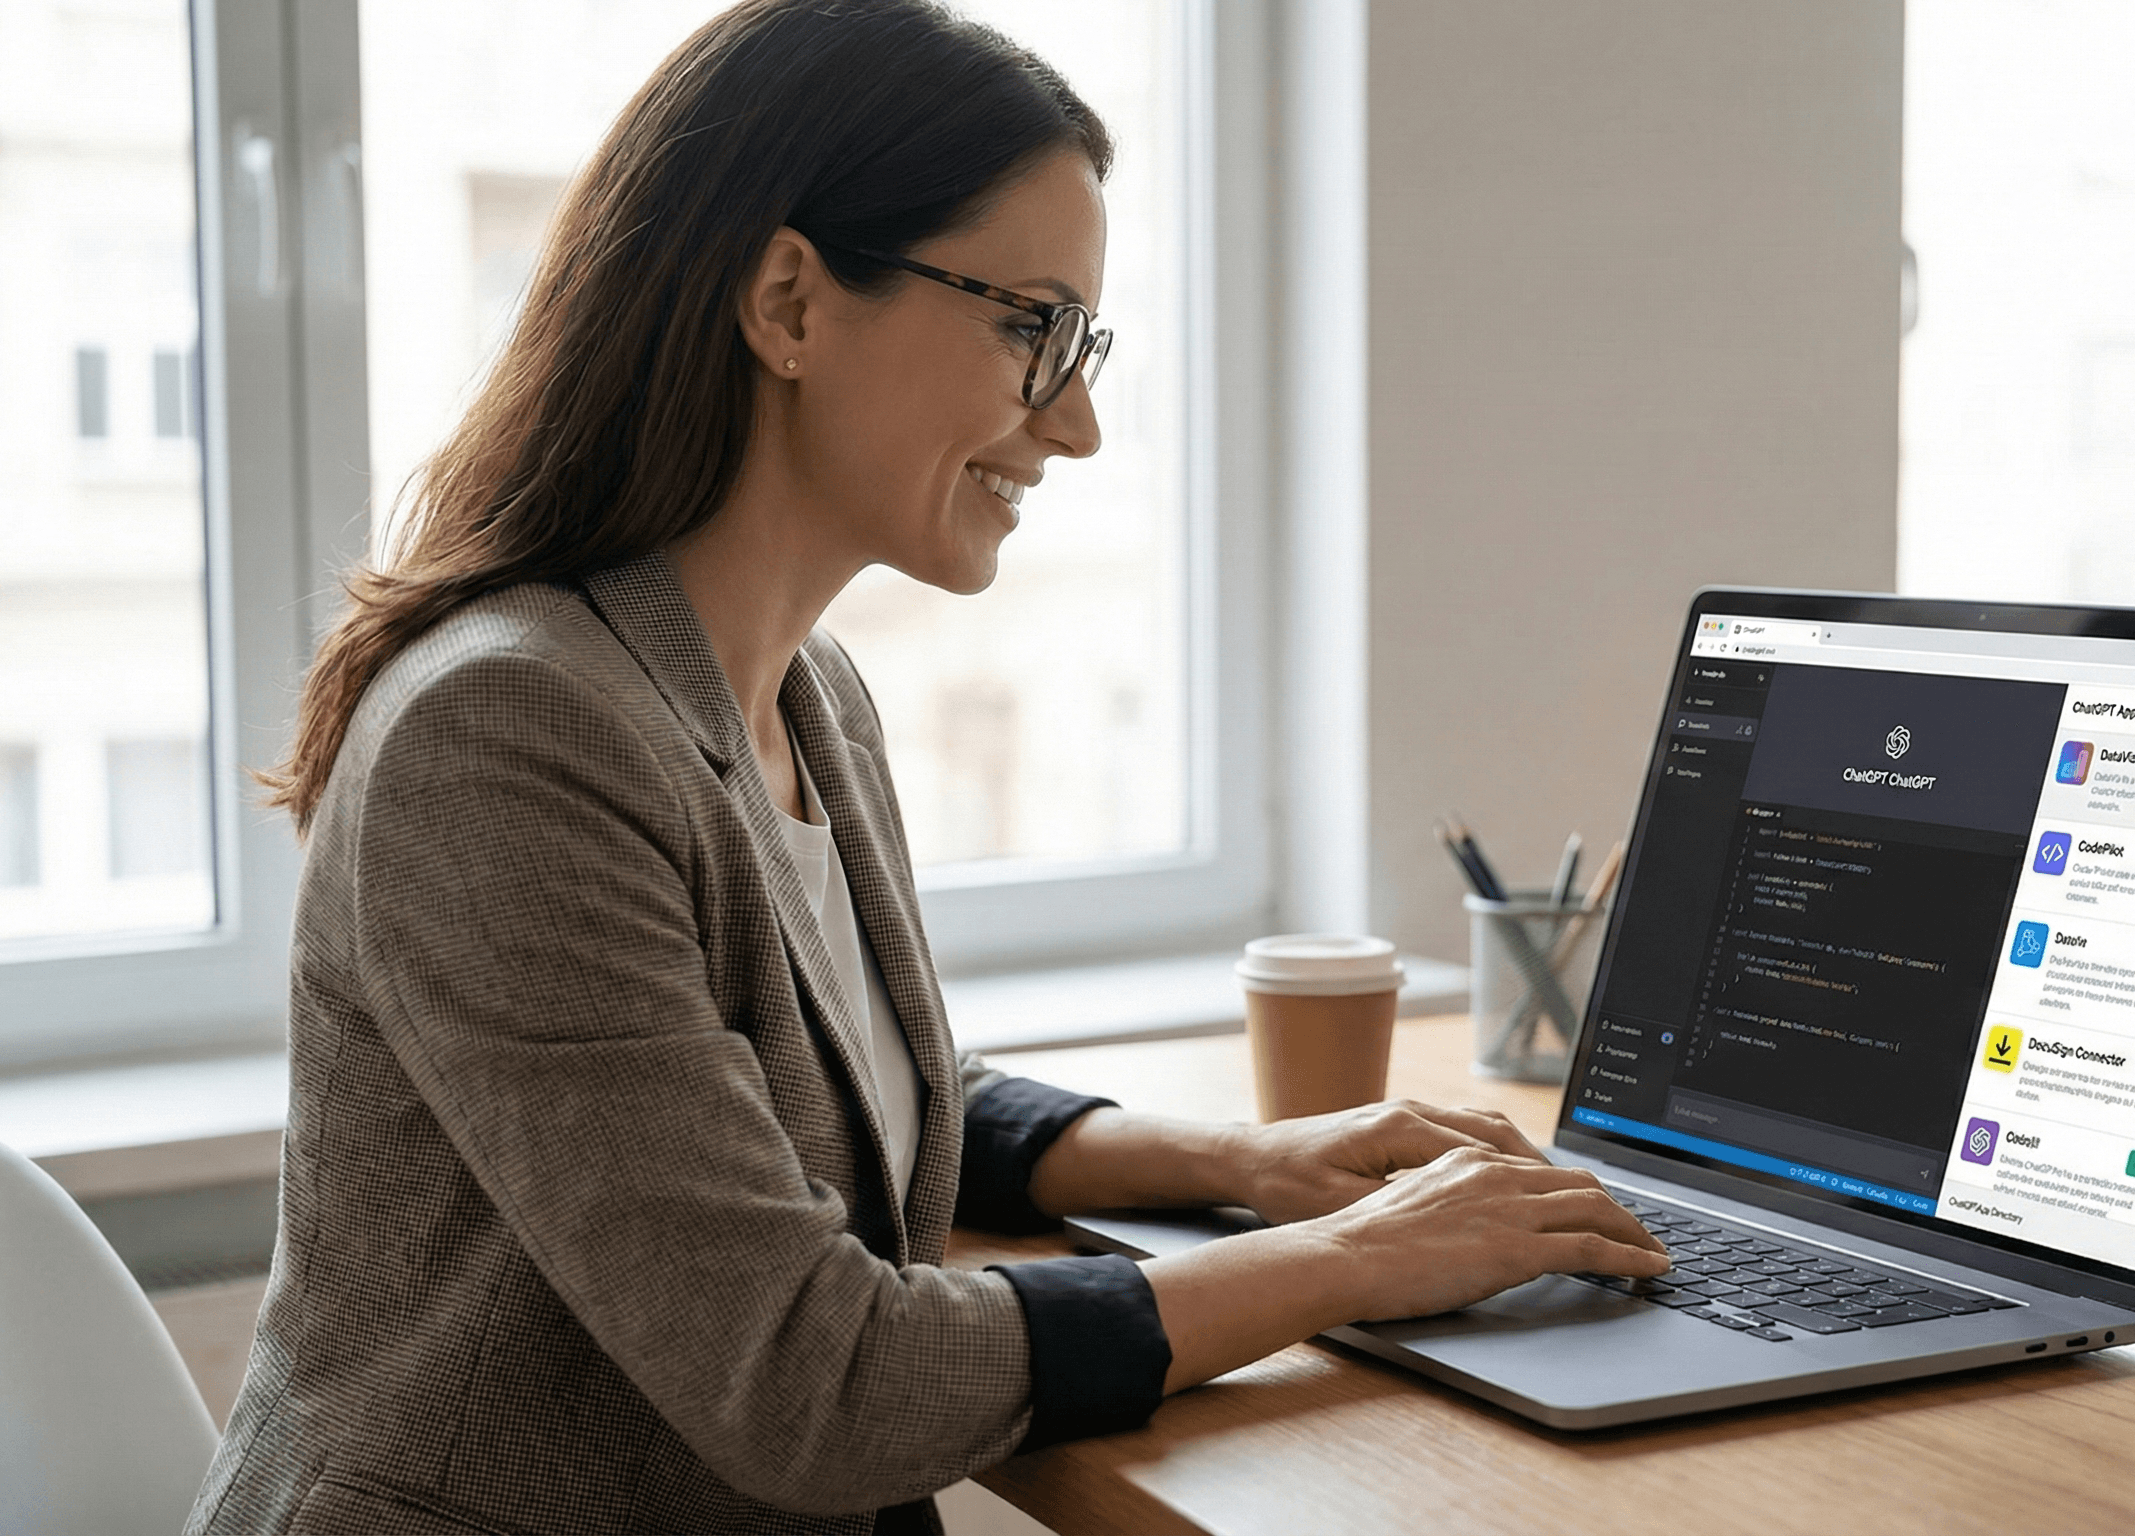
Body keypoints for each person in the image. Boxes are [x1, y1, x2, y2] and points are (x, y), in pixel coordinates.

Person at [187, 3, 1666, 1532]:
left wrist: (1253, 1161)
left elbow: (811, 1093)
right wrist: (1362, 1260)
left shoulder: (806, 691)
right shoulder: (504, 737)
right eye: (1034, 326)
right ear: (788, 302)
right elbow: (810, 1382)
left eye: (1080, 342)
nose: (1078, 423)